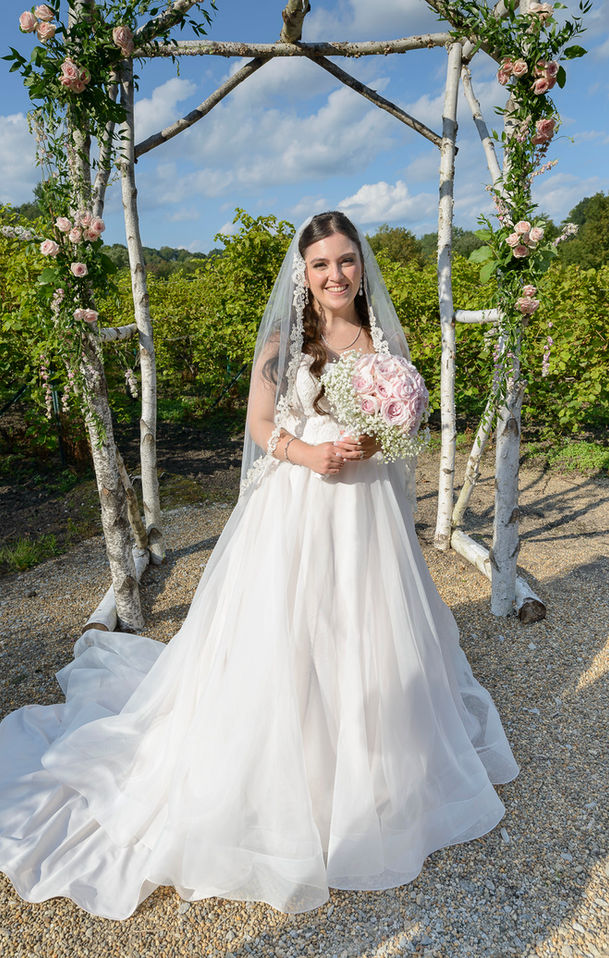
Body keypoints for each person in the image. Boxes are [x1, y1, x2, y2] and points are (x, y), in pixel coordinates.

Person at [0, 211, 519, 921]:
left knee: (364, 627)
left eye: (344, 261)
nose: (335, 275)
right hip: (297, 507)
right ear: (303, 276)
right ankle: (284, 771)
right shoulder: (286, 340)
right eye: (320, 265)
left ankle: (368, 769)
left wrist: (374, 443)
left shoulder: (382, 340)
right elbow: (258, 424)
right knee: (288, 630)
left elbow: (400, 438)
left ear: (360, 265)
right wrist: (311, 454)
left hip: (363, 510)